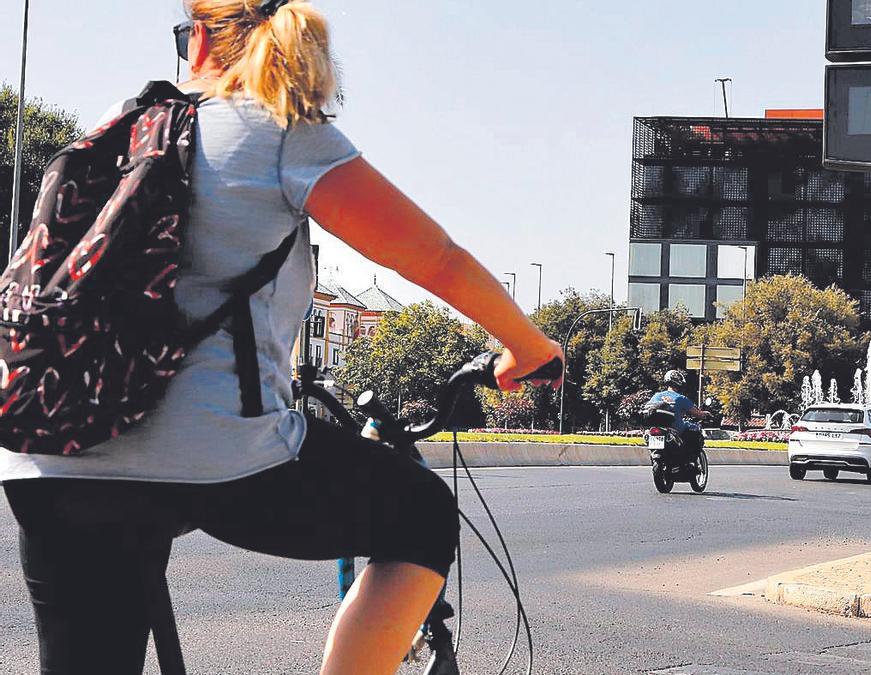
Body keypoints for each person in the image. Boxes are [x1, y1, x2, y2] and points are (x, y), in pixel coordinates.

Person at [0, 1, 563, 674]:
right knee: (422, 517)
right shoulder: (280, 133)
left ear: (202, 41)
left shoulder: (115, 128)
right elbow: (434, 256)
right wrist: (526, 345)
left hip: (46, 454)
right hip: (215, 456)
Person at [647, 370, 709, 451]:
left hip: (656, 428)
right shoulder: (681, 398)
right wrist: (705, 414)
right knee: (694, 430)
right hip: (676, 428)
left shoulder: (656, 396)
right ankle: (690, 458)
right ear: (679, 383)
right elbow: (697, 413)